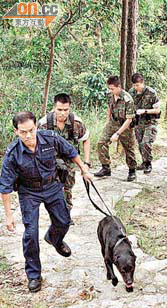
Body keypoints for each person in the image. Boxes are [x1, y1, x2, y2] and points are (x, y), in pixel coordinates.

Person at [0, 112, 93, 293]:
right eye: (23, 132)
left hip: (52, 186)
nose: (28, 136)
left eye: (31, 130)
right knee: (31, 234)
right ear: (16, 132)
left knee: (64, 221)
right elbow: (5, 187)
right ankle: (34, 275)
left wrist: (84, 170)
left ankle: (54, 238)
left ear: (36, 127)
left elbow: (71, 151)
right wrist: (9, 216)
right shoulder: (13, 154)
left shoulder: (49, 138)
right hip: (29, 192)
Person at [38, 93, 90, 223]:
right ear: (54, 108)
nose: (62, 113)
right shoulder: (44, 124)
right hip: (51, 161)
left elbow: (86, 139)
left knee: (67, 187)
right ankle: (56, 216)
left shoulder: (76, 122)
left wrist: (86, 164)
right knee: (54, 189)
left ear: (70, 108)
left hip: (69, 161)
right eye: (59, 110)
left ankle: (66, 214)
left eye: (66, 110)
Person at [94, 76, 137, 181]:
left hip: (125, 125)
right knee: (101, 143)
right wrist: (108, 122)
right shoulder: (110, 96)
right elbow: (109, 108)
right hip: (113, 122)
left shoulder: (128, 99)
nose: (111, 91)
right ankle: (106, 167)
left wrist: (117, 134)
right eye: (109, 88)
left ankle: (132, 171)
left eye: (112, 88)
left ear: (119, 87)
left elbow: (129, 120)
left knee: (129, 149)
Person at [129, 73, 161, 174]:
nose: (135, 87)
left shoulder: (151, 93)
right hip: (138, 122)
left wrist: (145, 111)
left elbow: (157, 110)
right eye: (134, 85)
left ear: (142, 83)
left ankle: (148, 163)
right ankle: (144, 161)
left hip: (150, 122)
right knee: (140, 144)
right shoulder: (132, 92)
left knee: (146, 143)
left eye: (137, 85)